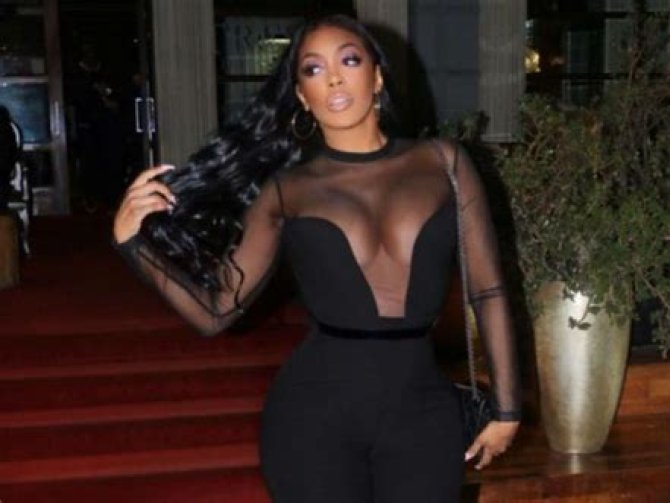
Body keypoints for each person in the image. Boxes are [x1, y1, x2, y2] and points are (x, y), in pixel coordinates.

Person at [113, 14, 520, 502]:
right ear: (302, 97)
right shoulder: (288, 190)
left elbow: (488, 290)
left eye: (349, 60)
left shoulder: (444, 163)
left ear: (377, 77)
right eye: (313, 69)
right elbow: (216, 309)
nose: (333, 79)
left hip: (423, 415)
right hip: (314, 421)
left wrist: (507, 408)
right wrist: (134, 245)